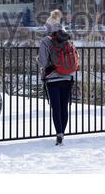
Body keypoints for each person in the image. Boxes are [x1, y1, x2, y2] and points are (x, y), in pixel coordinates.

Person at [37, 9, 77, 145]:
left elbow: (42, 62)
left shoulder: (46, 41)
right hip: (67, 77)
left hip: (52, 78)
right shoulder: (68, 40)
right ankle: (63, 134)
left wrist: (37, 58)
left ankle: (59, 133)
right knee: (64, 107)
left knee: (56, 108)